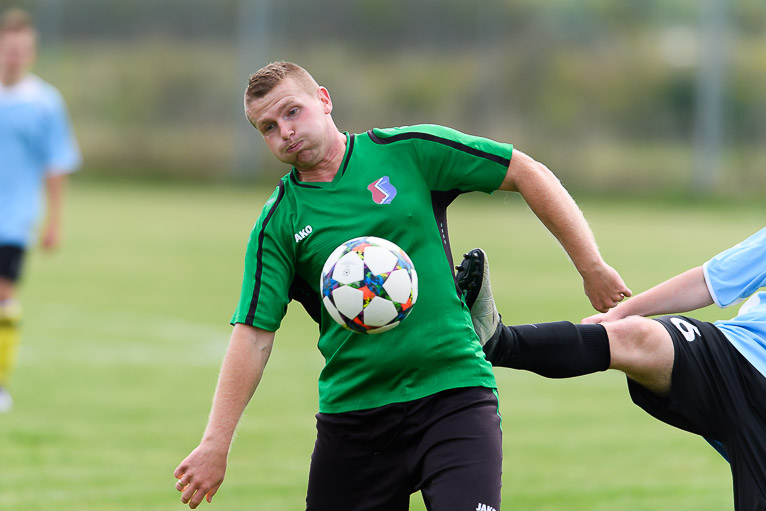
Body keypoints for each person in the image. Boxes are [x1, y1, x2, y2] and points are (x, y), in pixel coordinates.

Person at [173, 61, 630, 510]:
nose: (286, 132)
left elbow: (524, 170)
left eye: (293, 111)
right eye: (268, 127)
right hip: (355, 417)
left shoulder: (408, 151)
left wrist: (591, 266)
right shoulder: (279, 222)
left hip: (453, 393)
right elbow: (254, 334)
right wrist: (216, 443)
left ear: (324, 100)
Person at [456, 227, 766, 511]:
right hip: (738, 355)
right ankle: (497, 341)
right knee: (635, 337)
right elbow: (710, 281)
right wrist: (622, 314)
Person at [0, 8, 81, 412]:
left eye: (23, 49)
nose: (15, 55)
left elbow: (56, 164)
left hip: (13, 220)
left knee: (3, 295)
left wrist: (55, 220)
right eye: (9, 48)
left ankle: (0, 383)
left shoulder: (45, 102)